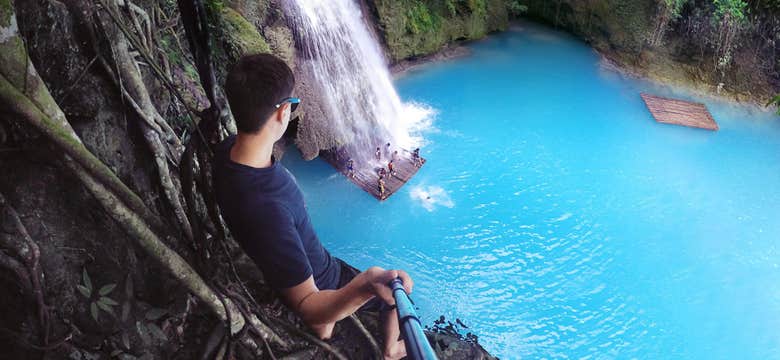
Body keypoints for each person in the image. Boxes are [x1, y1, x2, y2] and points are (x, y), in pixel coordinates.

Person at [213, 54, 411, 360]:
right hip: (324, 283)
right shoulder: (268, 208)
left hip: (308, 265)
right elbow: (312, 311)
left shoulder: (226, 153)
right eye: (293, 103)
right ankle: (390, 350)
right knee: (400, 299)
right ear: (282, 113)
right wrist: (365, 285)